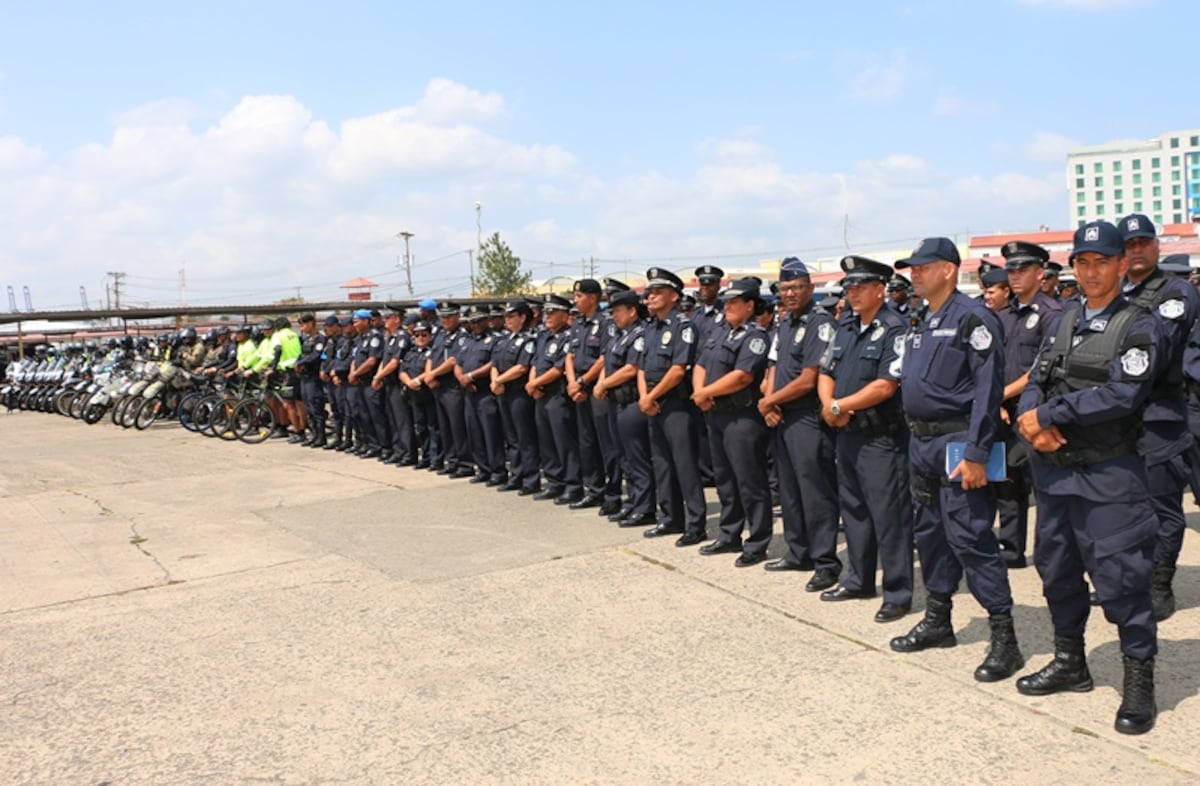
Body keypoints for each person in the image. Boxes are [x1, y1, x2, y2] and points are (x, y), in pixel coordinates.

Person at [1015, 220, 1164, 735]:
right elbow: (1036, 380)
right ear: (1073, 267)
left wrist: (1052, 417)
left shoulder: (1139, 325)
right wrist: (1032, 424)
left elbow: (1124, 394)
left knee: (1122, 580)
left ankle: (1139, 681)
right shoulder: (1063, 320)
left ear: (1123, 265)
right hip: (1055, 475)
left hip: (1110, 475)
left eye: (1103, 261)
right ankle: (1070, 661)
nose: (1092, 271)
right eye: (1083, 262)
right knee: (1055, 571)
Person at [891, 237, 1023, 681]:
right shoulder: (922, 320)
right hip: (922, 445)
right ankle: (939, 618)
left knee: (971, 536)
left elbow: (987, 391)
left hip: (958, 442)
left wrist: (978, 452)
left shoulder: (972, 318)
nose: (915, 273)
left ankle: (1005, 638)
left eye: (923, 266)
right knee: (929, 534)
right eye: (912, 268)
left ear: (948, 269)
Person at [817, 255, 913, 622]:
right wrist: (830, 405)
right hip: (847, 433)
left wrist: (839, 406)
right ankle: (858, 578)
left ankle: (898, 591)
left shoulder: (895, 329)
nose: (852, 293)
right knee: (854, 510)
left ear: (879, 289)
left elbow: (886, 385)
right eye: (848, 287)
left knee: (889, 516)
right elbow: (826, 370)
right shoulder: (846, 326)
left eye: (859, 286)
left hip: (880, 438)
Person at [1118, 213, 1200, 621]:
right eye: (1129, 245)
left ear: (1156, 246)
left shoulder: (1175, 292)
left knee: (1163, 511)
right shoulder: (1112, 293)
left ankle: (1159, 584)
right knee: (1125, 508)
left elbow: (1155, 348)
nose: (1136, 250)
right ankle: (1130, 582)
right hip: (1117, 421)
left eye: (1142, 243)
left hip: (1159, 420)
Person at [757, 258, 840, 588]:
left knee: (815, 492)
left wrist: (770, 400)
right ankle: (798, 552)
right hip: (782, 416)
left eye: (796, 287)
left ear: (811, 288)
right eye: (785, 288)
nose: (790, 293)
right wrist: (770, 401)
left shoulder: (821, 323)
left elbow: (810, 379)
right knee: (789, 490)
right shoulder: (785, 324)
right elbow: (775, 366)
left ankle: (825, 562)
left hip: (807, 417)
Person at [691, 278, 773, 566]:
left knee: (749, 481)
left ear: (750, 306)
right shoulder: (718, 331)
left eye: (735, 303)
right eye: (726, 303)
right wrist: (700, 393)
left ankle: (758, 541)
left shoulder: (756, 336)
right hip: (716, 413)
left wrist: (704, 392)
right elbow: (700, 363)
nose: (728, 308)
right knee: (724, 479)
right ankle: (729, 534)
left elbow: (742, 376)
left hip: (742, 417)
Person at [998, 241, 1064, 569]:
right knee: (1007, 482)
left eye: (1022, 269)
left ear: (1041, 274)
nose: (1015, 275)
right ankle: (1010, 551)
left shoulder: (1052, 314)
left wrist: (1003, 393)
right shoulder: (1003, 315)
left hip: (1033, 410)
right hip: (1002, 412)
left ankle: (1049, 558)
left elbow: (1042, 367)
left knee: (1043, 485)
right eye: (1011, 269)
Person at [639, 268, 708, 546]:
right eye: (650, 292)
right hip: (653, 404)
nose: (651, 296)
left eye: (657, 292)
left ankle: (695, 523)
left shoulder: (683, 326)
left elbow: (679, 370)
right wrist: (645, 397)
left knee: (685, 463)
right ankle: (670, 518)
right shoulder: (650, 327)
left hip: (676, 404)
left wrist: (650, 396)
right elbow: (642, 367)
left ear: (674, 296)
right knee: (662, 463)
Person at [596, 289, 656, 526]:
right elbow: (608, 362)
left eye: (618, 311)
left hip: (631, 401)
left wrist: (604, 383)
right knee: (624, 457)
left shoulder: (639, 335)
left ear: (632, 310)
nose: (614, 316)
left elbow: (632, 368)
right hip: (616, 403)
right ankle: (632, 503)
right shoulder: (619, 336)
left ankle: (645, 507)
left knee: (637, 457)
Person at [565, 279, 617, 511]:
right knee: (586, 443)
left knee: (607, 445)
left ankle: (613, 496)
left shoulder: (606, 323)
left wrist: (583, 381)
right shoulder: (578, 324)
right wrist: (573, 384)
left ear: (593, 297)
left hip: (598, 388)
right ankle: (594, 490)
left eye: (578, 296)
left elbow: (606, 356)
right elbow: (570, 356)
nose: (575, 300)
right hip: (579, 389)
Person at [527, 294, 581, 503]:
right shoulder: (543, 335)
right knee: (546, 441)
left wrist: (535, 383)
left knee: (564, 442)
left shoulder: (568, 337)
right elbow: (535, 362)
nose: (548, 316)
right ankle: (554, 481)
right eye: (547, 312)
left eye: (553, 312)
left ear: (565, 315)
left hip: (557, 395)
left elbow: (559, 368)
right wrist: (533, 384)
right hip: (540, 394)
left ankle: (573, 484)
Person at [490, 300, 541, 494]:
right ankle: (516, 475)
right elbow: (494, 362)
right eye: (506, 316)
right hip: (503, 393)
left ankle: (530, 479)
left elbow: (522, 367)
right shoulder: (504, 340)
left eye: (511, 316)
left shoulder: (529, 340)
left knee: (525, 437)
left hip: (519, 394)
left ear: (523, 317)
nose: (507, 320)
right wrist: (495, 381)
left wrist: (499, 380)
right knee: (511, 438)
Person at [424, 302, 473, 477]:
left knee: (457, 426)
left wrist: (433, 374)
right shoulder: (439, 335)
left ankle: (465, 464)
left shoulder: (462, 336)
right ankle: (452, 461)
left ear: (457, 316)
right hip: (438, 386)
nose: (445, 320)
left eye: (449, 316)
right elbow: (431, 356)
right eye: (443, 317)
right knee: (445, 427)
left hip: (453, 386)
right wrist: (429, 375)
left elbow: (454, 360)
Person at [375, 309, 415, 465]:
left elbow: (395, 362)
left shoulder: (402, 336)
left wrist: (379, 376)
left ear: (397, 319)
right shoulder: (390, 338)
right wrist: (377, 376)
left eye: (388, 317)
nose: (385, 320)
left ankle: (408, 454)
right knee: (393, 419)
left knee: (403, 420)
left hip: (399, 384)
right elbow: (385, 360)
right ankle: (398, 451)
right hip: (388, 383)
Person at [400, 320, 440, 468]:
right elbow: (402, 371)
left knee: (433, 428)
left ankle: (436, 459)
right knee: (421, 427)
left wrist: (417, 380)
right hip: (415, 395)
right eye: (417, 335)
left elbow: (429, 371)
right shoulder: (411, 353)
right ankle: (426, 457)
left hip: (429, 394)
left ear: (430, 336)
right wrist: (409, 382)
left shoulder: (434, 352)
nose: (420, 338)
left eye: (424, 335)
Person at [295, 313, 329, 447]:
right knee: (308, 407)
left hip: (314, 378)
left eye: (303, 325)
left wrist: (302, 362)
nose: (302, 328)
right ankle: (314, 435)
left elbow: (316, 355)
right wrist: (298, 362)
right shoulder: (308, 339)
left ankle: (321, 437)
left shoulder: (320, 339)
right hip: (305, 377)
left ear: (310, 324)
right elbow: (301, 354)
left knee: (316, 407)